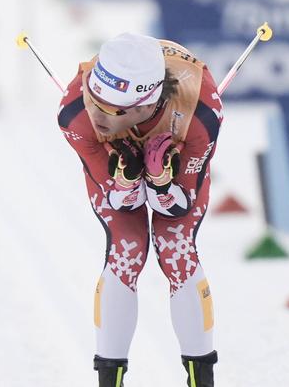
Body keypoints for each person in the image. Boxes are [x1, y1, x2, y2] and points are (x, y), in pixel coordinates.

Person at [57, 33, 222, 387]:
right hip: (123, 167)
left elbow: (181, 206)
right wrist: (128, 181)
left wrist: (162, 182)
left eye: (113, 109)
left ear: (147, 106)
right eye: (95, 99)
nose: (97, 115)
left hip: (177, 145)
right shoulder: (75, 112)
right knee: (126, 251)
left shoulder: (201, 112)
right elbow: (121, 204)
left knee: (175, 249)